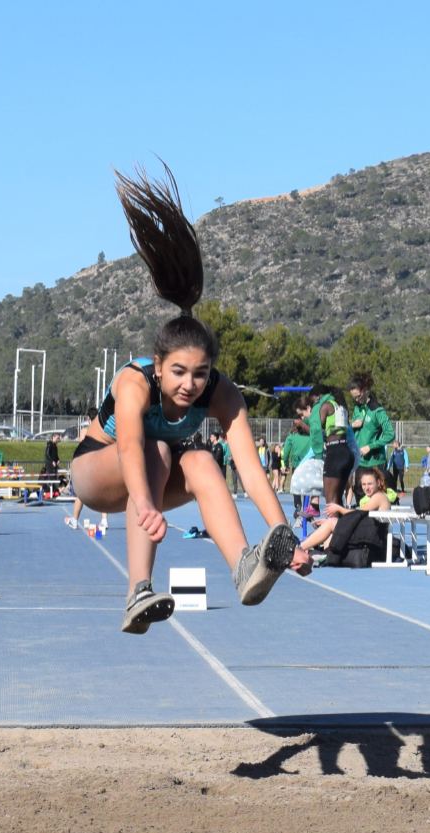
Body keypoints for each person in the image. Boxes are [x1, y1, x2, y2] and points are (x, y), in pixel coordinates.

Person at [70, 162, 311, 634]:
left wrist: (288, 537)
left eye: (200, 374)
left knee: (202, 461)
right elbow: (128, 447)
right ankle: (138, 589)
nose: (189, 384)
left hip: (152, 479)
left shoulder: (222, 394)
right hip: (97, 471)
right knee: (158, 447)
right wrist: (143, 504)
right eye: (178, 372)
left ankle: (244, 565)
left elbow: (253, 473)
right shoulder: (134, 383)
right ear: (158, 366)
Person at [300, 467, 391, 554]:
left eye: (370, 484)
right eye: (364, 484)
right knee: (331, 523)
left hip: (373, 538)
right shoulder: (376, 496)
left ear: (378, 483)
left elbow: (358, 514)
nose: (366, 488)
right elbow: (358, 517)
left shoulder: (378, 497)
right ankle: (326, 554)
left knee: (332, 523)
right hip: (369, 533)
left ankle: (299, 548)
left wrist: (338, 508)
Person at [307, 383, 357, 516]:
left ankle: (334, 534)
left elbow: (316, 429)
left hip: (334, 453)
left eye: (314, 402)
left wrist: (302, 424)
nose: (315, 406)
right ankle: (343, 532)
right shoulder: (341, 406)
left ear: (319, 396)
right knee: (338, 503)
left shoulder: (326, 406)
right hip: (346, 452)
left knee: (331, 503)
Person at [65, 408, 108, 530]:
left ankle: (74, 519)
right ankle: (104, 520)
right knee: (103, 492)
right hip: (100, 462)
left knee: (81, 493)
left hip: (88, 464)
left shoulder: (85, 431)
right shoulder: (103, 430)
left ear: (89, 418)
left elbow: (82, 445)